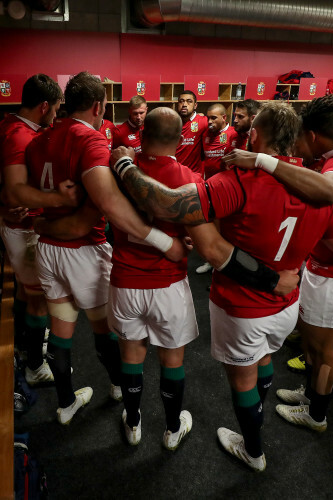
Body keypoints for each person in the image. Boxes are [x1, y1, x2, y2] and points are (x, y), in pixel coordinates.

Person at [111, 100, 333, 471]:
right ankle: (256, 425)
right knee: (266, 359)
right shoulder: (320, 190)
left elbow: (169, 206)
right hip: (287, 303)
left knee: (243, 379)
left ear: (253, 135)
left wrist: (124, 164)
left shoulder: (236, 181)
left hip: (241, 305)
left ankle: (253, 449)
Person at [15, 72, 185, 425]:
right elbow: (108, 203)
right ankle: (120, 388)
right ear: (98, 106)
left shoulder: (37, 141)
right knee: (105, 331)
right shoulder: (90, 140)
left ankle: (65, 404)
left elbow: (24, 196)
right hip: (83, 251)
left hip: (49, 249)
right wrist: (161, 240)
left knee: (61, 331)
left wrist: (43, 222)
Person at [222, 95, 333, 433]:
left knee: (322, 349)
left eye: (300, 139)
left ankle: (317, 414)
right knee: (315, 347)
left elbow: (330, 190)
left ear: (312, 136)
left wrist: (262, 161)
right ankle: (313, 392)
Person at [107, 107, 204, 449]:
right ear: (180, 140)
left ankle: (133, 424)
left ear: (142, 133)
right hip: (168, 286)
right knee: (172, 360)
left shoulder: (117, 169)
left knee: (131, 355)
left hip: (125, 281)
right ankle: (172, 429)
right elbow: (201, 235)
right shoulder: (190, 178)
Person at [0, 74, 70, 386]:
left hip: (13, 224)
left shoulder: (4, 124)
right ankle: (34, 366)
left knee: (26, 290)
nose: (56, 115)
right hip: (24, 228)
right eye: (56, 108)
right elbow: (14, 192)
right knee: (38, 297)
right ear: (44, 106)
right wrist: (56, 198)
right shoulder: (19, 135)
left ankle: (26, 343)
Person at [196, 103, 237, 275]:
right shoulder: (205, 134)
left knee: (226, 227)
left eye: (214, 118)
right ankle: (212, 261)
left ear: (224, 117)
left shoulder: (233, 134)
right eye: (208, 117)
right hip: (210, 186)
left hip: (229, 188)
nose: (210, 121)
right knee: (212, 224)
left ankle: (226, 263)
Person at [175, 90, 208, 175]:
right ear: (177, 104)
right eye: (181, 101)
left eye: (189, 101)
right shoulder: (171, 122)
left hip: (195, 175)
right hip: (176, 173)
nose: (184, 105)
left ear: (195, 105)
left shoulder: (204, 122)